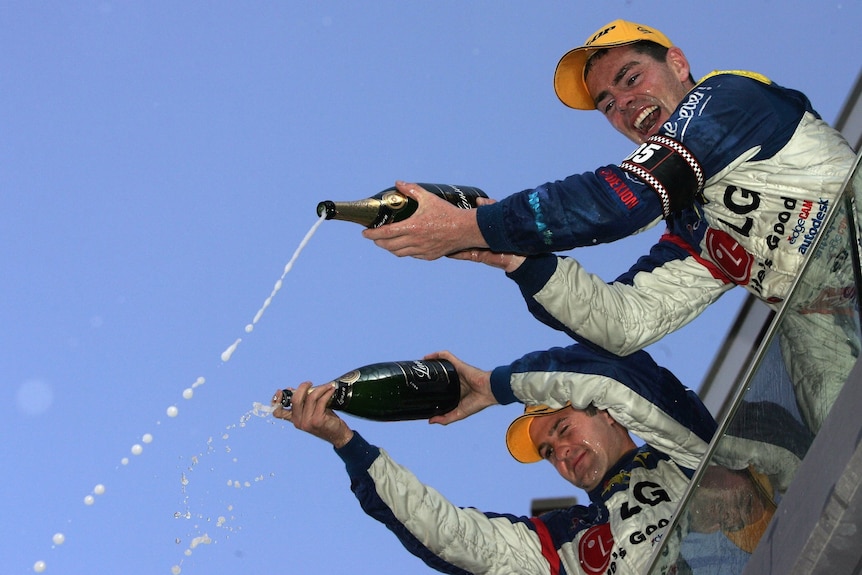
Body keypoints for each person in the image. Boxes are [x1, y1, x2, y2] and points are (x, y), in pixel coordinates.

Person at [362, 19, 858, 432]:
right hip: (835, 329)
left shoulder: (730, 98)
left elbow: (622, 200)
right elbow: (622, 322)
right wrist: (513, 258)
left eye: (630, 77)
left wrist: (477, 224)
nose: (623, 103)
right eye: (606, 103)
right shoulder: (696, 226)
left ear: (678, 64)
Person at [273, 344, 718, 575]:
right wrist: (346, 441)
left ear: (605, 410)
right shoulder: (565, 541)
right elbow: (448, 533)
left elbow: (623, 372)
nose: (560, 453)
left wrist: (498, 385)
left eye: (562, 429)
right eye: (547, 452)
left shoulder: (683, 444)